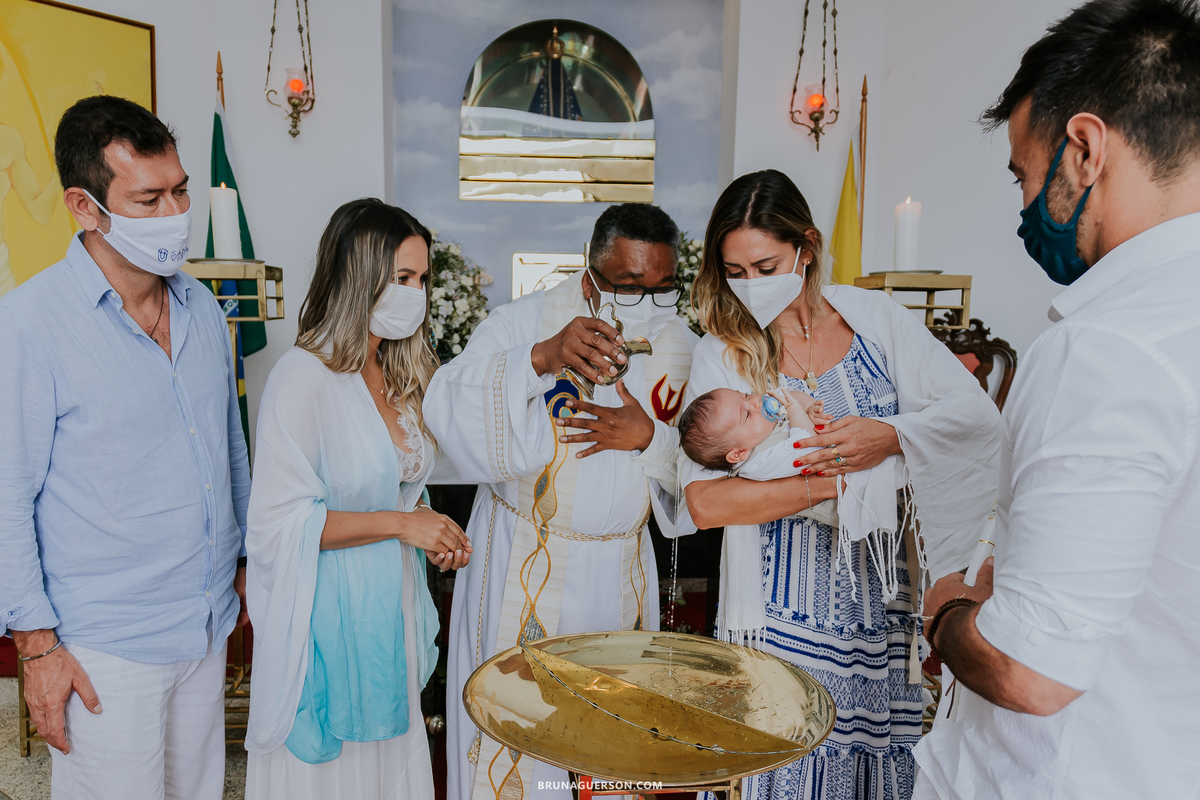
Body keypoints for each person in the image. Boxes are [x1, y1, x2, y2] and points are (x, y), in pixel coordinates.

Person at [915, 1, 1200, 797]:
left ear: (1083, 149)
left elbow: (1027, 672)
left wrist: (945, 611)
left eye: (1023, 174)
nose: (1022, 205)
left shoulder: (1105, 345)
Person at [680, 169, 1002, 800]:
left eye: (766, 265)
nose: (750, 286)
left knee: (880, 773)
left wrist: (890, 436)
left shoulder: (875, 319)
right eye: (735, 272)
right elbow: (706, 501)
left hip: (887, 606)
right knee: (791, 766)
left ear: (807, 247)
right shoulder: (723, 354)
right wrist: (838, 488)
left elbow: (973, 419)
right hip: (783, 610)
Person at [0, 95, 249, 799]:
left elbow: (229, 445)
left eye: (179, 192)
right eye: (148, 199)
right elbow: (6, 496)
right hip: (102, 645)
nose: (174, 213)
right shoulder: (28, 325)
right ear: (85, 207)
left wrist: (241, 562)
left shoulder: (202, 307)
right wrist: (38, 648)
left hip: (203, 623)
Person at [424, 203, 698, 800]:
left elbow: (714, 460)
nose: (647, 301)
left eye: (663, 288)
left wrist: (650, 437)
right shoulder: (522, 323)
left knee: (612, 748)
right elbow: (448, 406)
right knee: (523, 747)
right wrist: (540, 359)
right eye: (630, 286)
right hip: (527, 558)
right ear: (591, 272)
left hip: (621, 568)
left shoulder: (684, 347)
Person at [243, 198, 471, 800]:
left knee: (387, 768)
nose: (415, 294)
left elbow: (397, 491)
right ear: (357, 276)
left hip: (388, 605)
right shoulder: (303, 377)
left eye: (422, 280)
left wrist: (428, 528)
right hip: (326, 613)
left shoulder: (395, 372)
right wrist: (402, 525)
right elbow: (279, 523)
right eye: (402, 279)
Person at [678, 385, 831, 473]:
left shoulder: (764, 423)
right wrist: (796, 412)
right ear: (738, 453)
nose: (755, 402)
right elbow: (811, 447)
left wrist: (807, 407)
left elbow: (792, 398)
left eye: (745, 395)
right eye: (747, 415)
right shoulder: (762, 461)